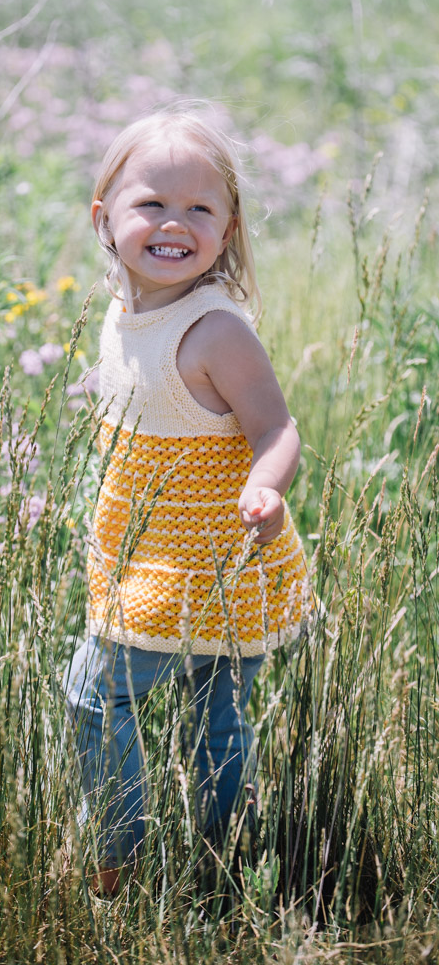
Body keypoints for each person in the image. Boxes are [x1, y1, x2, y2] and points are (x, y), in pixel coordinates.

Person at [65, 103, 311, 896]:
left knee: (99, 694)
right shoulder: (123, 310)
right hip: (146, 547)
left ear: (228, 226)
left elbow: (277, 430)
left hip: (213, 554)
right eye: (151, 204)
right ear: (104, 218)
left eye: (198, 208)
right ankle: (221, 863)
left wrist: (264, 487)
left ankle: (123, 855)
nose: (174, 223)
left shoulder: (213, 332)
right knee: (211, 723)